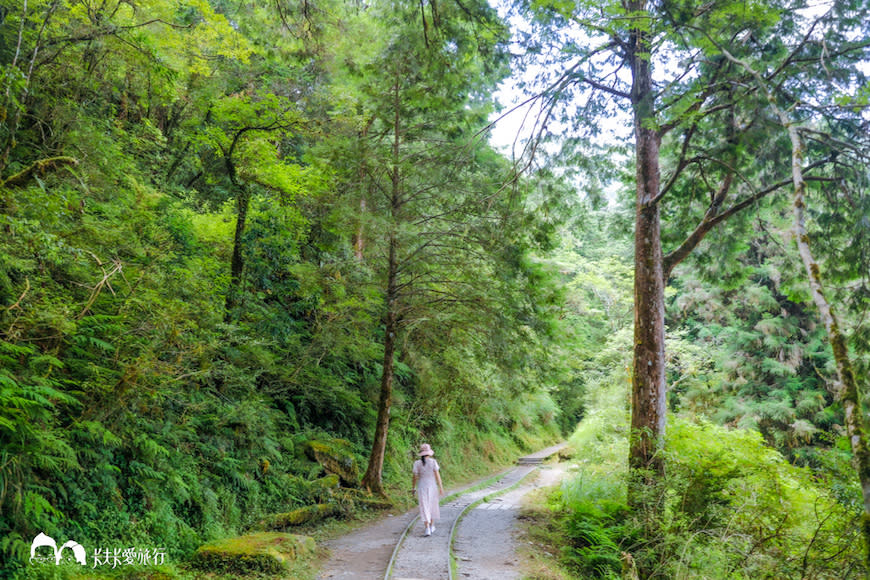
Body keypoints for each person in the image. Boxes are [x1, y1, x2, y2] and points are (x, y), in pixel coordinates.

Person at [412, 443, 444, 536]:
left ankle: (427, 528)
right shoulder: (433, 462)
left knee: (424, 506)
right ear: (429, 453)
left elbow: (414, 477)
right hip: (432, 486)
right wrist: (441, 487)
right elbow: (437, 476)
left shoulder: (417, 463)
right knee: (432, 505)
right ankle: (431, 525)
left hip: (422, 486)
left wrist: (413, 488)